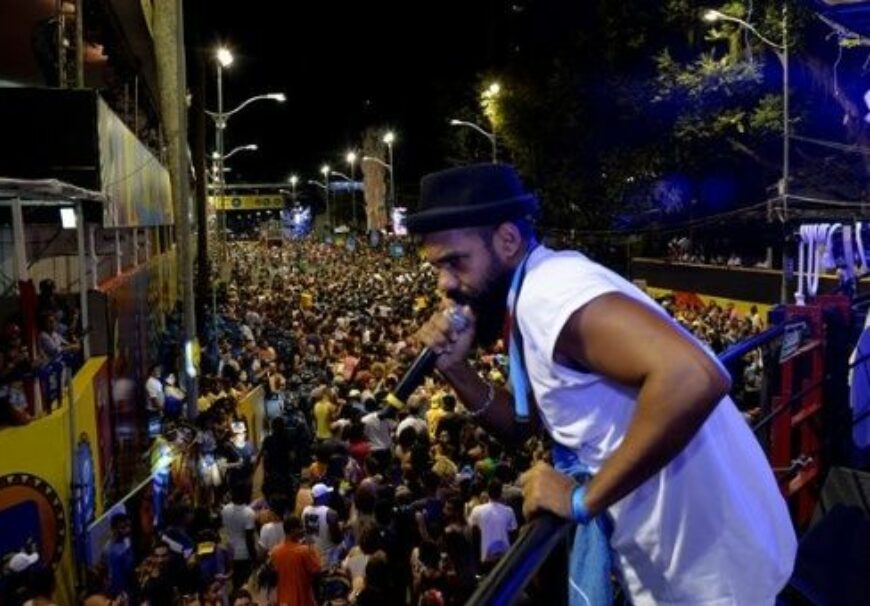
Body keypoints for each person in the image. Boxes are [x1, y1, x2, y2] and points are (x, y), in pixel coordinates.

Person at [409, 163, 796, 604]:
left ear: (507, 240)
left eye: (456, 262)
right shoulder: (532, 292)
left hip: (708, 572)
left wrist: (583, 499)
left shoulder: (548, 294)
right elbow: (527, 424)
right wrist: (457, 370)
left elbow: (694, 376)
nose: (444, 283)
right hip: (706, 557)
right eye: (436, 268)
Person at [270, 515, 322, 606]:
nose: (302, 530)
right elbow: (317, 571)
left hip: (282, 601)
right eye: (300, 527)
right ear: (292, 530)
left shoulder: (275, 552)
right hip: (302, 601)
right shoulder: (305, 551)